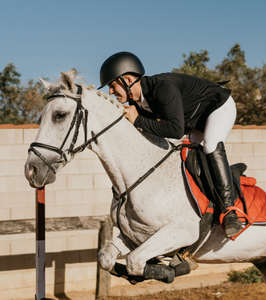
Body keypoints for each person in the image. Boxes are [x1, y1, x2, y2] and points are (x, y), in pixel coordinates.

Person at [98, 51, 242, 238]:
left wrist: (138, 121)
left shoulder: (162, 88)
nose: (110, 91)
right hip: (194, 122)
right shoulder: (140, 102)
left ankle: (230, 211)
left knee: (211, 145)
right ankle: (202, 209)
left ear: (126, 79)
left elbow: (174, 130)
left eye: (112, 85)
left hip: (218, 107)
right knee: (184, 155)